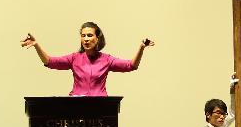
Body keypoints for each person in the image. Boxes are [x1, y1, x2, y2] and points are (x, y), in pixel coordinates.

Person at [19, 21, 154, 96]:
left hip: (100, 107)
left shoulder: (106, 59)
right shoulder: (74, 58)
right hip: (77, 107)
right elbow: (49, 61)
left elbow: (131, 65)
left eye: (89, 35)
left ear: (97, 38)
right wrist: (36, 45)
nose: (86, 39)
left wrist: (141, 47)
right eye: (83, 36)